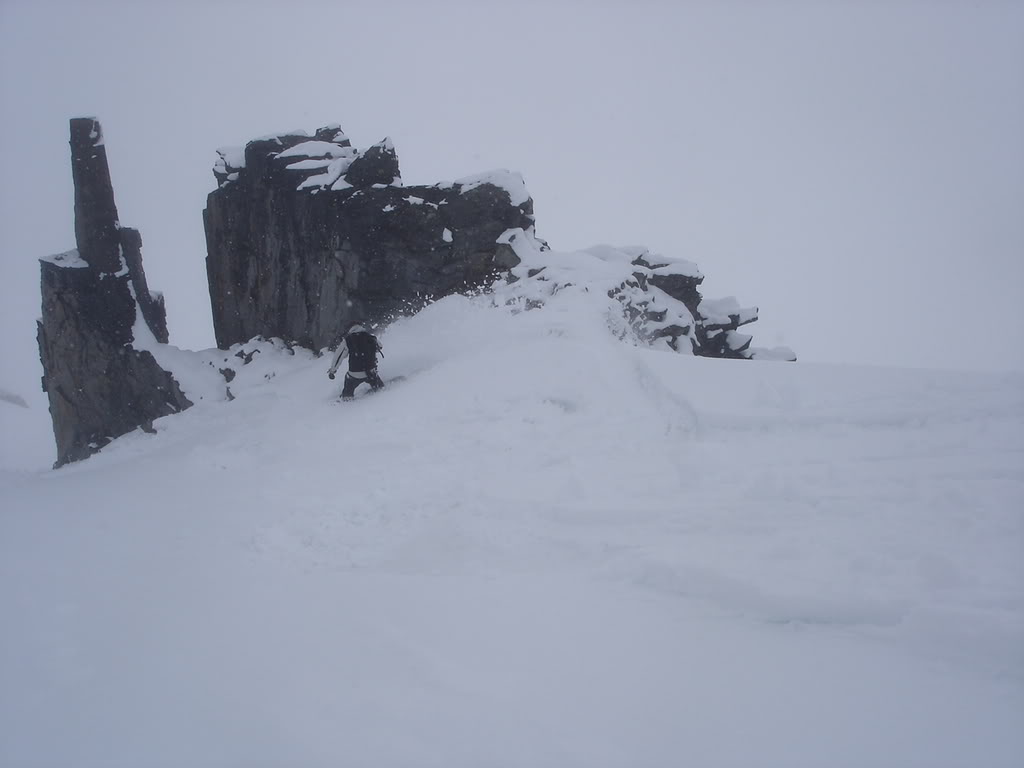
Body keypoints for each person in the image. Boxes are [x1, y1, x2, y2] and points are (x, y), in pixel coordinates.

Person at [328, 322, 385, 400]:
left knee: (349, 379)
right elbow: (380, 347)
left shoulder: (347, 340)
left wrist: (332, 371)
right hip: (370, 372)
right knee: (373, 376)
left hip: (355, 374)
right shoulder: (370, 337)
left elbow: (338, 356)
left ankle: (347, 396)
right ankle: (378, 387)